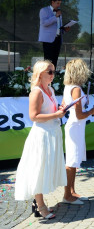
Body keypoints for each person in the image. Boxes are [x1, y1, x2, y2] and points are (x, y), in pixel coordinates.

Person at [15, 60, 66, 219]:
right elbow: (34, 116)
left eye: (53, 71)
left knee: (45, 169)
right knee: (39, 169)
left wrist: (59, 110)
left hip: (52, 133)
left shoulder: (50, 89)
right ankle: (40, 205)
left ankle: (38, 203)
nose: (53, 75)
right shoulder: (36, 92)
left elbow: (49, 110)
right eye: (49, 72)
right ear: (40, 74)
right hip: (41, 136)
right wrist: (56, 115)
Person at [62, 59, 94, 204]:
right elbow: (79, 115)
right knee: (71, 162)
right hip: (76, 125)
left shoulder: (69, 87)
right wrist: (92, 111)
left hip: (75, 126)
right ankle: (67, 195)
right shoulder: (75, 88)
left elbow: (66, 107)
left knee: (74, 161)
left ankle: (71, 191)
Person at [38, 0, 70, 68]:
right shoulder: (44, 10)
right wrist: (55, 16)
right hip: (48, 40)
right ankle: (47, 77)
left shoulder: (58, 12)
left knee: (55, 60)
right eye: (57, 3)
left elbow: (58, 26)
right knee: (48, 61)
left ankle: (53, 76)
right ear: (52, 2)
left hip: (58, 39)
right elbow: (44, 23)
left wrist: (64, 29)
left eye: (60, 3)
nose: (59, 5)